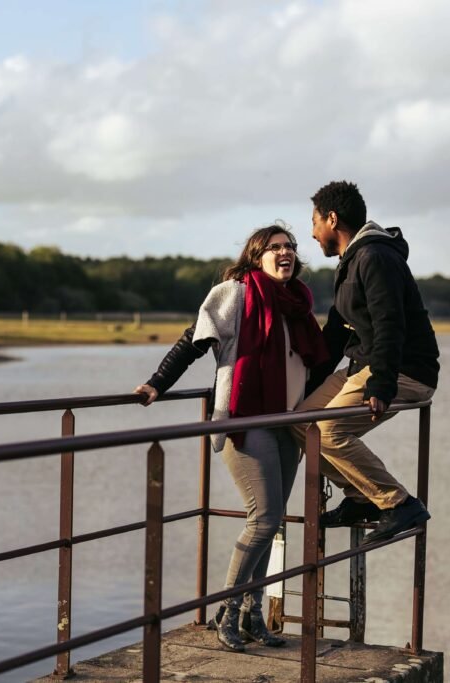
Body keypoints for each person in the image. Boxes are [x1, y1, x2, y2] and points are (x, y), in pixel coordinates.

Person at [133, 224, 331, 652]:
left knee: (272, 521)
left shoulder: (297, 301)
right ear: (256, 255)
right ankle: (227, 610)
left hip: (288, 421)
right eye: (275, 247)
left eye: (291, 247)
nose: (286, 253)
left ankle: (252, 613)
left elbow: (313, 360)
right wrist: (156, 384)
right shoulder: (236, 292)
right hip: (245, 419)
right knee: (262, 519)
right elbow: (194, 340)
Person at [296, 180, 440, 545]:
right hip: (366, 365)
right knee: (299, 423)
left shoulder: (376, 257)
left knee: (328, 431)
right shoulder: (352, 262)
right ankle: (362, 498)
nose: (312, 234)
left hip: (403, 369)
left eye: (314, 223)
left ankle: (399, 503)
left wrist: (382, 384)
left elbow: (390, 322)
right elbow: (336, 333)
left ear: (332, 219)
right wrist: (310, 384)